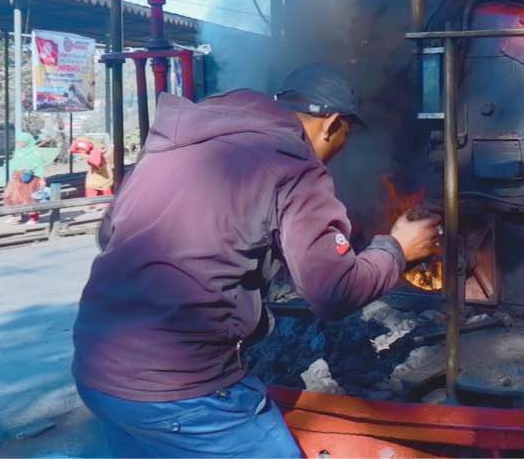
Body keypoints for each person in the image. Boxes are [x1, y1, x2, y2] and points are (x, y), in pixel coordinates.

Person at [72, 64, 441, 457]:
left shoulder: (177, 138)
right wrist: (398, 249)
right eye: (345, 138)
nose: (339, 153)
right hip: (182, 390)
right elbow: (333, 292)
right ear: (332, 124)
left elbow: (108, 234)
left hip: (96, 370)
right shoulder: (292, 163)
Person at [2, 131, 46, 225]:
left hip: (30, 178)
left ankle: (33, 217)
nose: (18, 144)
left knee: (28, 198)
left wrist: (42, 179)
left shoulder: (35, 152)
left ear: (27, 141)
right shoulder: (18, 151)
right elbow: (15, 163)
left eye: (21, 142)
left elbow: (40, 166)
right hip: (16, 176)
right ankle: (13, 214)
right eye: (17, 142)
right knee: (9, 195)